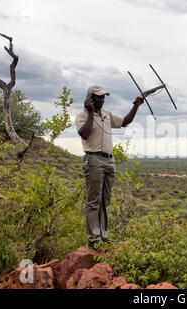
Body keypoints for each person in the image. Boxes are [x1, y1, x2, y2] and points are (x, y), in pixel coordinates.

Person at [75, 85, 144, 249]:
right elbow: (84, 134)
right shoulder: (82, 116)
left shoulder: (106, 114)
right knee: (93, 201)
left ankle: (103, 235)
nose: (103, 99)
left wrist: (136, 105)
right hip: (93, 159)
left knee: (104, 200)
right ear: (90, 98)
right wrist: (91, 112)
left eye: (104, 97)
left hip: (109, 160)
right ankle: (93, 238)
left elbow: (124, 122)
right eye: (99, 97)